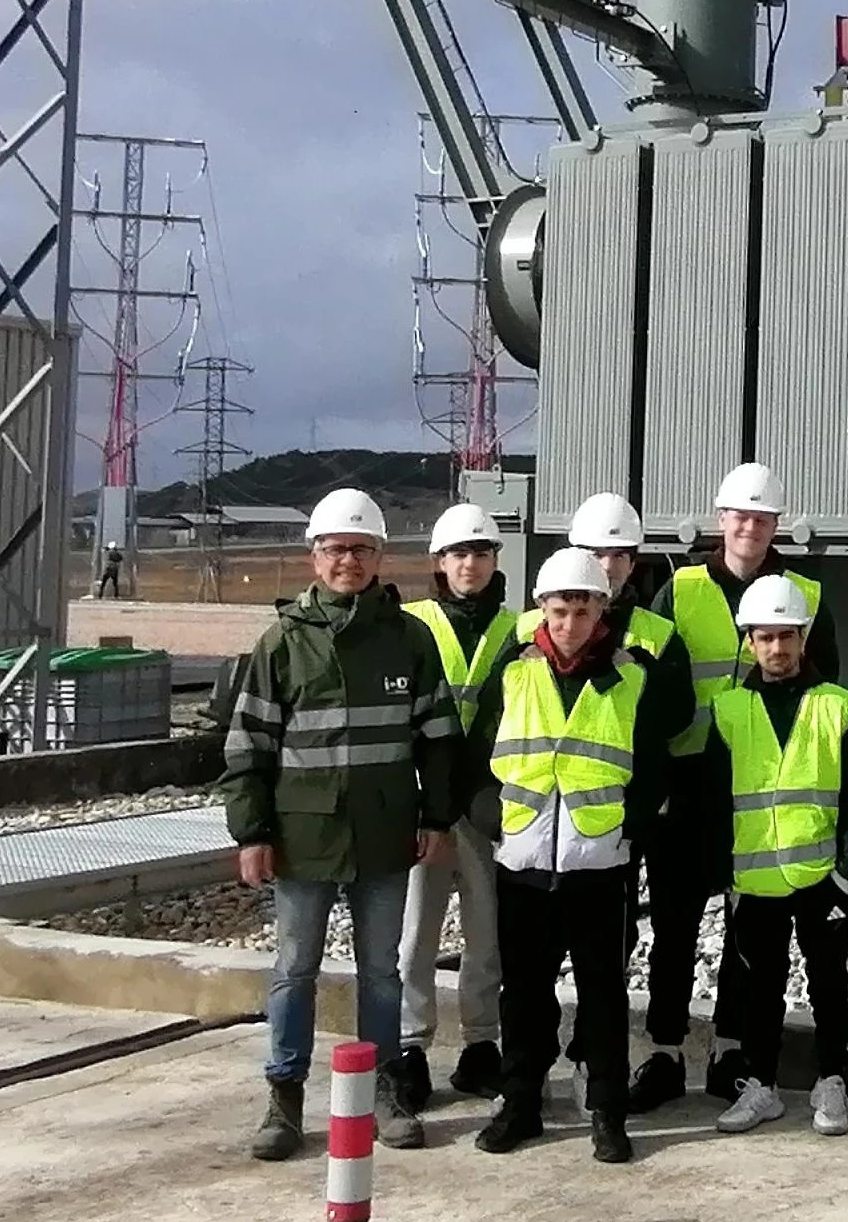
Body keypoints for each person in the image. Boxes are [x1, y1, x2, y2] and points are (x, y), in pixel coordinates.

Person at [221, 488, 459, 1162]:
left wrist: (437, 816)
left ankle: (385, 1089)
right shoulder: (283, 643)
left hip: (386, 836)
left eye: (360, 548)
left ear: (380, 556)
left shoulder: (408, 639)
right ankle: (285, 1094)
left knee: (382, 972)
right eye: (334, 549)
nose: (347, 560)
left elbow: (438, 737)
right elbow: (248, 746)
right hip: (303, 841)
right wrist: (253, 833)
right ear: (313, 557)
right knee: (294, 969)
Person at [629, 461, 834, 1114]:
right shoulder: (680, 590)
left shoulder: (805, 594)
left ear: (778, 525)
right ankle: (663, 1050)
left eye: (762, 517)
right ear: (721, 520)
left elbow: (821, 691)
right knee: (676, 926)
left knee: (752, 929)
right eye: (739, 516)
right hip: (688, 785)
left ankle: (731, 1049)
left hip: (762, 786)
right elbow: (651, 693)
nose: (750, 526)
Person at [474, 546, 677, 1163]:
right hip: (524, 863)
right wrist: (497, 824)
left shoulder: (633, 677)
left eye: (582, 610)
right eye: (559, 610)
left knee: (604, 995)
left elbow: (654, 767)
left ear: (602, 612)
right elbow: (478, 753)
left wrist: (626, 830)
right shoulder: (512, 672)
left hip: (599, 864)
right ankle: (521, 1104)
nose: (569, 624)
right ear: (542, 609)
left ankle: (608, 1114)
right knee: (525, 994)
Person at [708, 574, 848, 1139]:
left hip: (820, 879)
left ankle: (832, 1080)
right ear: (749, 642)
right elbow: (715, 802)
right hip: (755, 882)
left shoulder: (840, 708)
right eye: (765, 638)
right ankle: (763, 1086)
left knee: (829, 985)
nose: (777, 649)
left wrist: (847, 878)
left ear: (803, 639)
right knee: (760, 988)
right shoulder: (728, 711)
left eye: (787, 636)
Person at [390, 501, 514, 1111]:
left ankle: (481, 1046)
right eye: (459, 554)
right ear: (440, 563)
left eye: (481, 553)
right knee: (415, 930)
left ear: (496, 560)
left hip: (489, 802)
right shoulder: (412, 623)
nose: (470, 563)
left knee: (488, 933)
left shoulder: (520, 628)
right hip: (425, 802)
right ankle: (410, 1046)